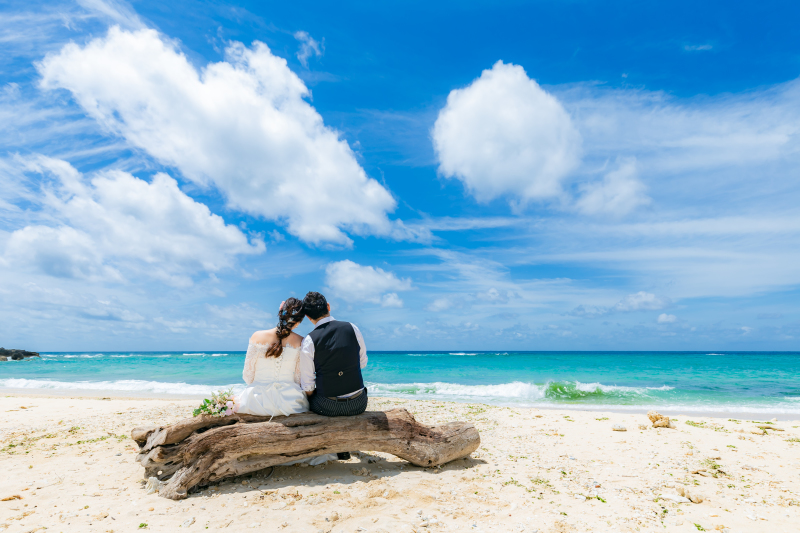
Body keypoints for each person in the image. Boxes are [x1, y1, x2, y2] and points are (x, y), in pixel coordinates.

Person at [299, 292, 369, 438]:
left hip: (328, 407)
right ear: (328, 306)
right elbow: (362, 363)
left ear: (307, 316)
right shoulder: (352, 328)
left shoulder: (309, 340)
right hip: (359, 403)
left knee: (310, 398)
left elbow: (308, 386)